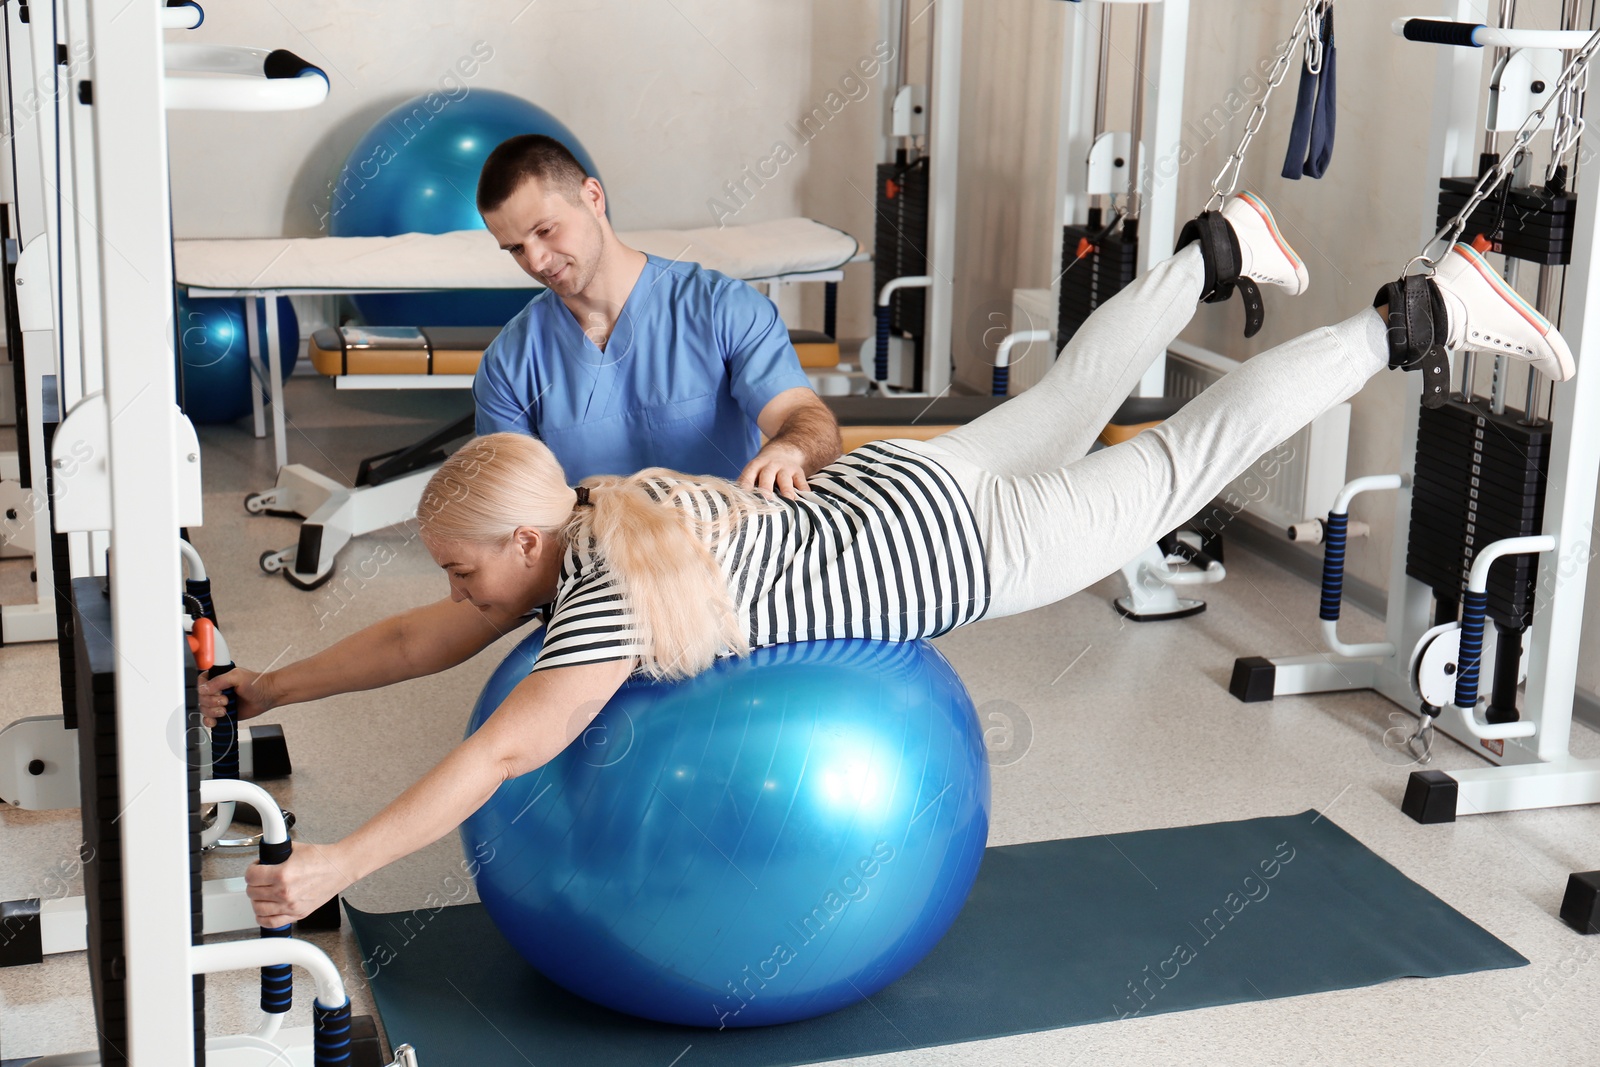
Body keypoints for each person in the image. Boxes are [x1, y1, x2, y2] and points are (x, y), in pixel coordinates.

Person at [202, 192, 1574, 927]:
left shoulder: (600, 606)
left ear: (516, 544)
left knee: (1180, 457)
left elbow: (497, 753)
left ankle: (1416, 315)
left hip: (976, 542)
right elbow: (419, 643)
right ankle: (1209, 253)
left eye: (459, 571)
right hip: (914, 478)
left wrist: (341, 862)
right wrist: (265, 685)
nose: (456, 602)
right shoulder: (619, 504)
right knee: (1061, 404)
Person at [472, 134, 841, 498]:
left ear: (593, 198)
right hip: (589, 554)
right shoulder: (508, 363)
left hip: (726, 550)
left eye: (546, 230)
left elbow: (805, 417)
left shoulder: (721, 308)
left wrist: (788, 449)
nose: (536, 261)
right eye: (516, 248)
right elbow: (514, 504)